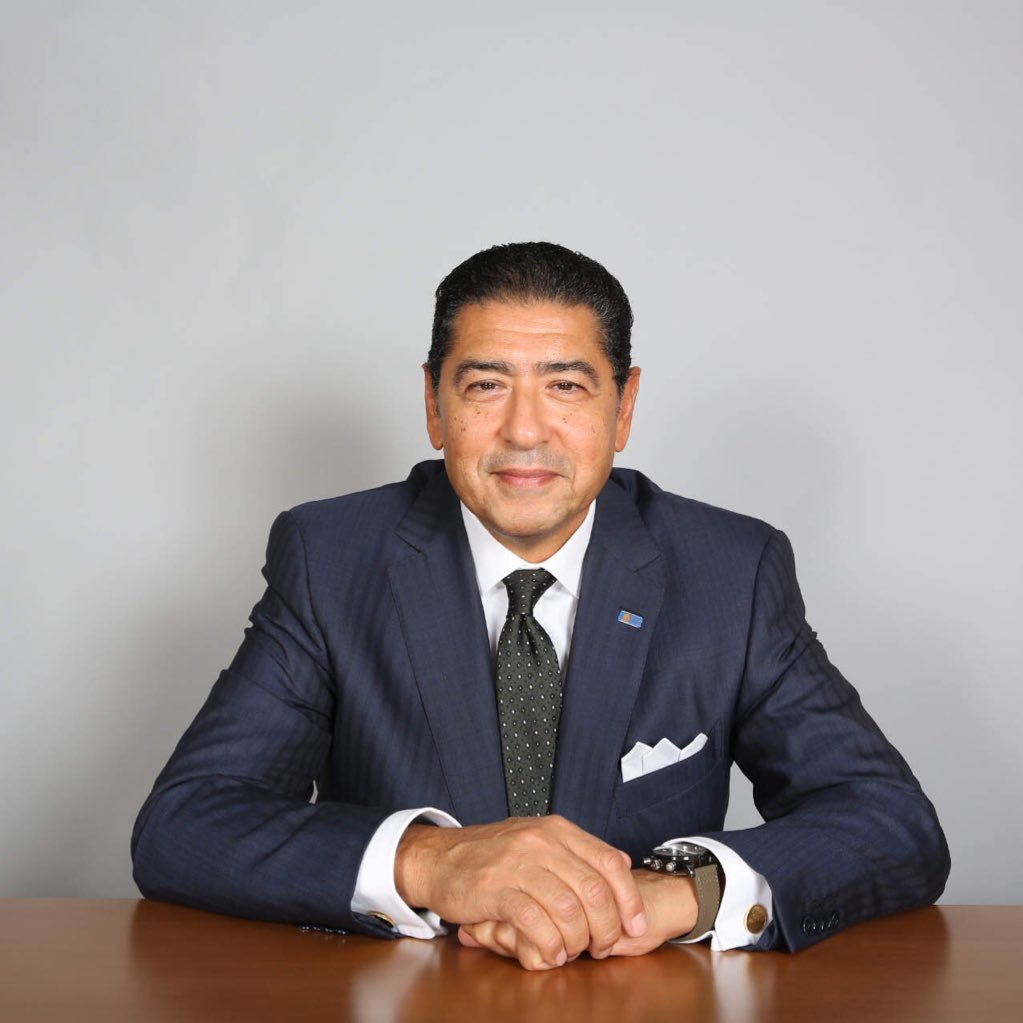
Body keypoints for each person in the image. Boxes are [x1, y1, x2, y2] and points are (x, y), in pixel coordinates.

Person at [132, 241, 950, 971]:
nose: (525, 431)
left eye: (565, 386)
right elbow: (185, 823)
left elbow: (889, 822)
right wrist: (434, 861)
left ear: (623, 407)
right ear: (434, 405)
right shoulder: (331, 557)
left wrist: (672, 893)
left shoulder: (729, 571)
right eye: (485, 385)